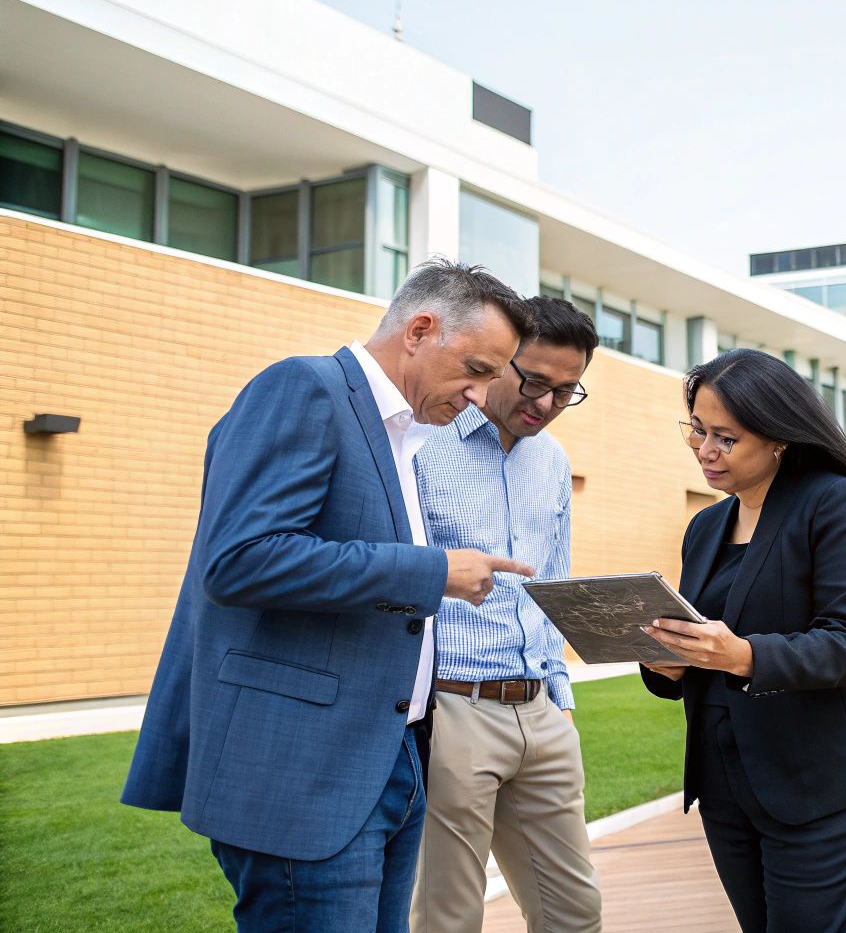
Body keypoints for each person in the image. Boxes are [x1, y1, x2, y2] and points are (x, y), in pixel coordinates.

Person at [122, 262, 536, 933]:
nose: (482, 396)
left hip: (390, 758)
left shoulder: (400, 433)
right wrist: (431, 573)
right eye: (478, 369)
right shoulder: (303, 388)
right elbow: (239, 560)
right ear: (420, 330)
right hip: (302, 771)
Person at [640, 348, 846, 933]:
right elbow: (705, 639)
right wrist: (670, 661)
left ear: (780, 438)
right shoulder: (706, 526)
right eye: (697, 431)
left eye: (726, 438)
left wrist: (743, 654)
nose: (705, 451)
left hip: (821, 783)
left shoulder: (835, 502)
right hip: (726, 786)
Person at [410, 296, 603, 932]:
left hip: (540, 712)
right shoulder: (420, 446)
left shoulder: (551, 461)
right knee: (450, 917)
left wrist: (557, 691)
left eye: (566, 392)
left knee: (574, 913)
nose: (546, 405)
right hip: (453, 708)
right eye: (536, 382)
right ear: (499, 361)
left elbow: (554, 578)